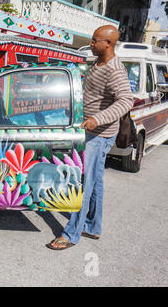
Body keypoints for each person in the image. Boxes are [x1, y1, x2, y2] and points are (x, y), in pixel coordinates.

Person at [46, 25, 134, 250]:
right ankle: (93, 226)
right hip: (92, 131)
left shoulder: (115, 69)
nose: (92, 44)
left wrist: (98, 119)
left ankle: (71, 234)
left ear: (108, 44)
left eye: (95, 41)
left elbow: (126, 101)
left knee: (82, 184)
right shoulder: (98, 63)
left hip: (99, 134)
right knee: (95, 182)